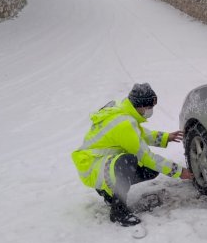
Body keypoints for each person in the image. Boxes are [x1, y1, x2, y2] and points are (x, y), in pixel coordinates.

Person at [72, 83, 193, 226]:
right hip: (91, 166)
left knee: (149, 168)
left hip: (99, 163)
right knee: (128, 162)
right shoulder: (124, 123)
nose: (150, 110)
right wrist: (179, 171)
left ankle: (109, 193)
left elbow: (137, 134)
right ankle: (119, 212)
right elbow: (145, 155)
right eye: (149, 107)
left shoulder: (123, 111)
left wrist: (165, 137)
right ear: (141, 105)